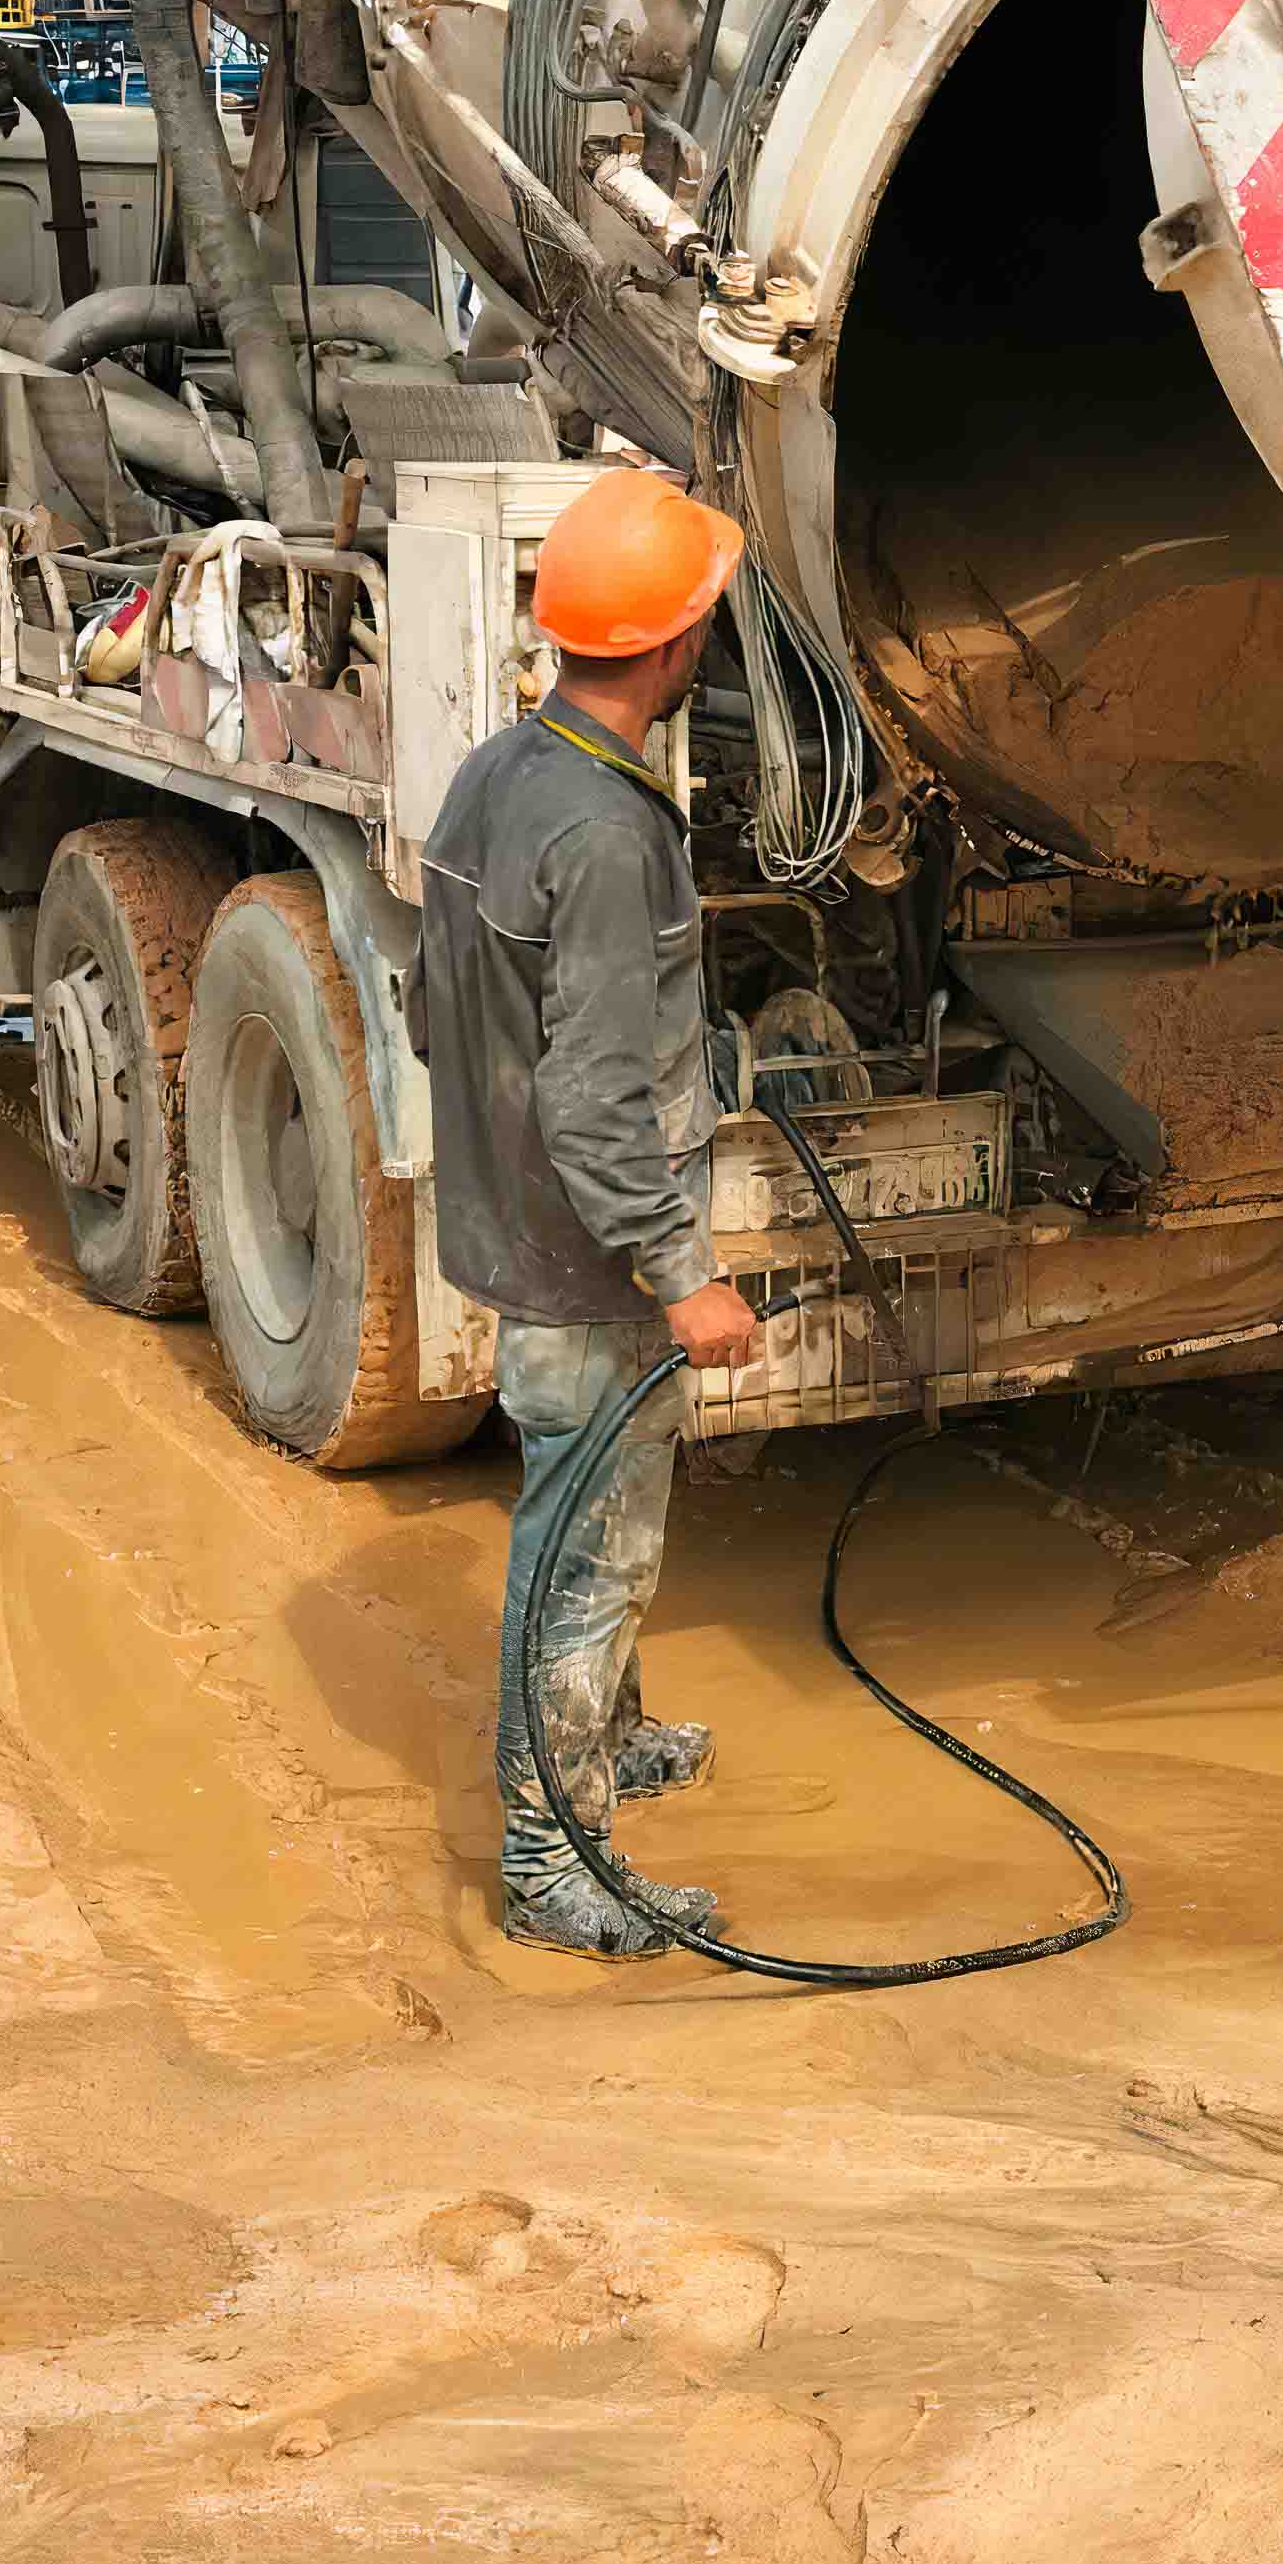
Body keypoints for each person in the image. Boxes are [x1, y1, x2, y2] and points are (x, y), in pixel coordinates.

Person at [414, 462, 768, 1959]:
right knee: (586, 1556)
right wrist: (681, 1272)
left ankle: (604, 1743)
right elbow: (596, 1097)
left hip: (520, 1223)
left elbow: (445, 1009)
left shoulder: (501, 772)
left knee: (592, 1532)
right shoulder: (613, 838)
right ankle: (552, 1861)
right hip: (588, 1264)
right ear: (677, 649)